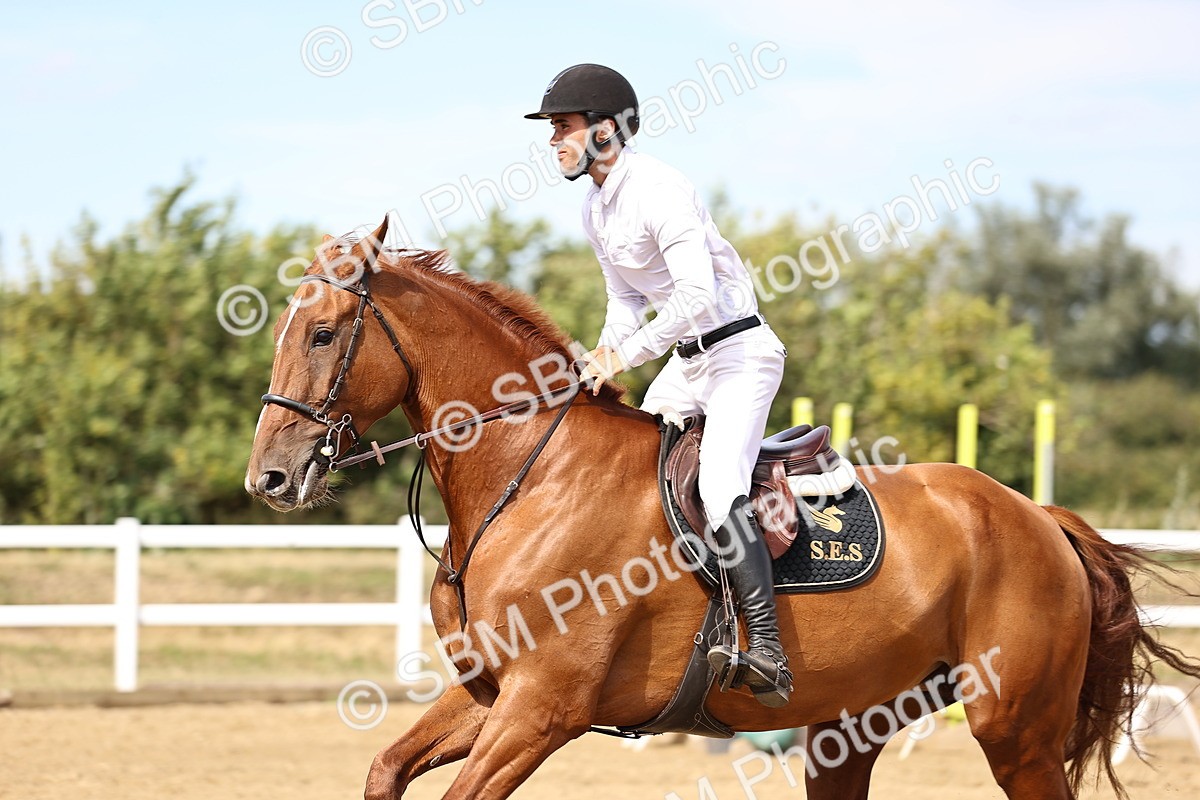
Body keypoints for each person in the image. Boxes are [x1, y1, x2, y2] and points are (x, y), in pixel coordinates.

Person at [525, 64, 793, 707]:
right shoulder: (595, 207)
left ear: (606, 130)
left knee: (720, 486)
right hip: (687, 362)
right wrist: (601, 353)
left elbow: (698, 294)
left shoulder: (660, 188)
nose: (553, 142)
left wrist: (626, 356)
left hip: (738, 354)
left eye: (562, 127)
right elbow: (625, 301)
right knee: (635, 475)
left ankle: (765, 646)